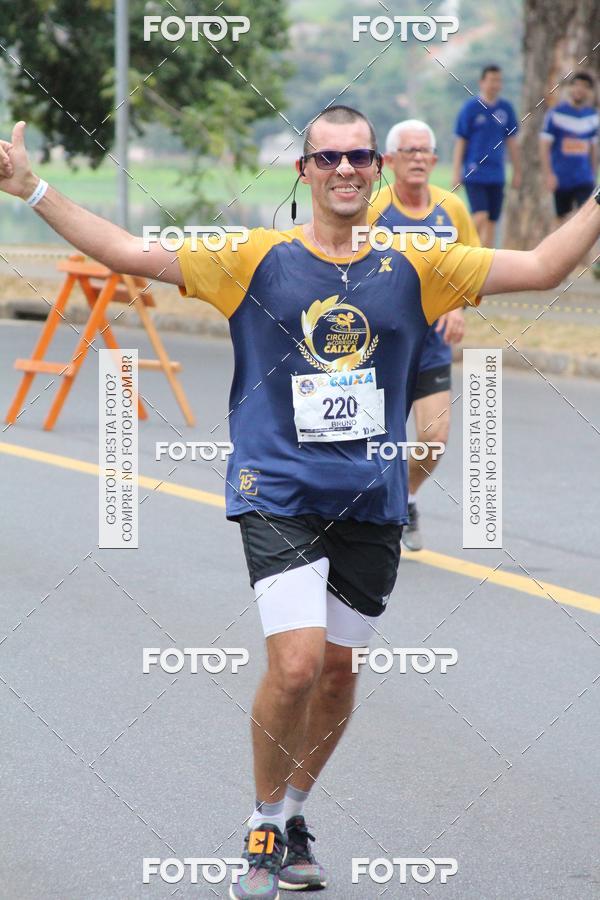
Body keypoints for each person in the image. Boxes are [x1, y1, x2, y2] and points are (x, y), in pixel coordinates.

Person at [1, 107, 599, 900]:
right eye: (329, 159)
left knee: (340, 675)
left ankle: (293, 815)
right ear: (305, 171)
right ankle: (259, 822)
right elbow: (126, 250)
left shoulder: (420, 266)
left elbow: (546, 265)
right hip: (276, 491)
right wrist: (31, 187)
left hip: (371, 499)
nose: (345, 170)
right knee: (296, 665)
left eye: (359, 157)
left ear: (378, 168)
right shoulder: (252, 258)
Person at [368, 118, 480, 550]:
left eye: (424, 152)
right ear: (390, 161)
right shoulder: (373, 209)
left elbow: (467, 267)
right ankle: (369, 514)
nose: (417, 159)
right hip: (380, 347)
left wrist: (455, 307)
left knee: (433, 439)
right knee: (378, 441)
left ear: (434, 160)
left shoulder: (451, 209)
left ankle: (408, 496)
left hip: (430, 344)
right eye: (407, 152)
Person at [453, 64, 521, 247]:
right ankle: (461, 249)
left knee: (492, 220)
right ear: (482, 82)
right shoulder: (470, 108)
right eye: (491, 80)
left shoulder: (506, 109)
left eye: (498, 80)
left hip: (497, 173)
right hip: (474, 172)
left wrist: (517, 171)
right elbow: (461, 141)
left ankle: (487, 262)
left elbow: (512, 142)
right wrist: (456, 172)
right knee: (480, 215)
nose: (495, 84)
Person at [540, 72, 599, 230]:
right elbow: (544, 146)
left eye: (585, 87)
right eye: (577, 85)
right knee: (561, 219)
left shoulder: (592, 116)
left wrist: (593, 174)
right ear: (570, 88)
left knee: (586, 222)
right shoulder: (555, 114)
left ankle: (583, 255)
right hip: (561, 177)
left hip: (584, 178)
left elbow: (593, 149)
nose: (580, 89)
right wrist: (549, 175)